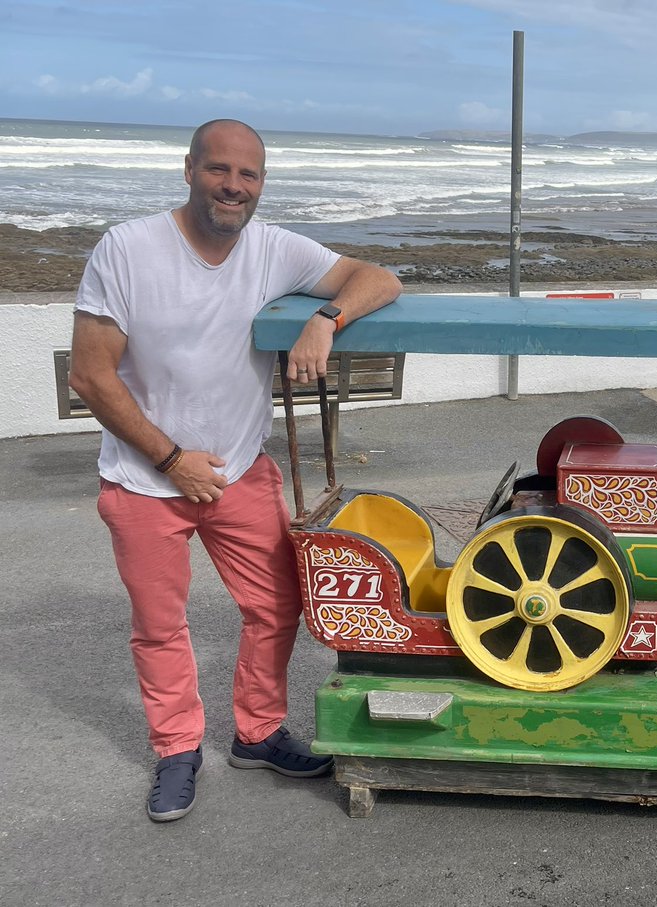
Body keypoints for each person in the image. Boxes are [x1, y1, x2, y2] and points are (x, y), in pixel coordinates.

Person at [69, 119, 403, 822]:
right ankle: (176, 749)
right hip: (145, 478)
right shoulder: (127, 249)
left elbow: (378, 278)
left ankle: (257, 732)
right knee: (160, 625)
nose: (233, 186)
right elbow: (91, 375)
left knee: (278, 605)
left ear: (262, 184)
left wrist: (326, 319)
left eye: (248, 175)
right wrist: (172, 459)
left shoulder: (274, 248)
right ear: (189, 170)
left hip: (240, 471)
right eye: (219, 169)